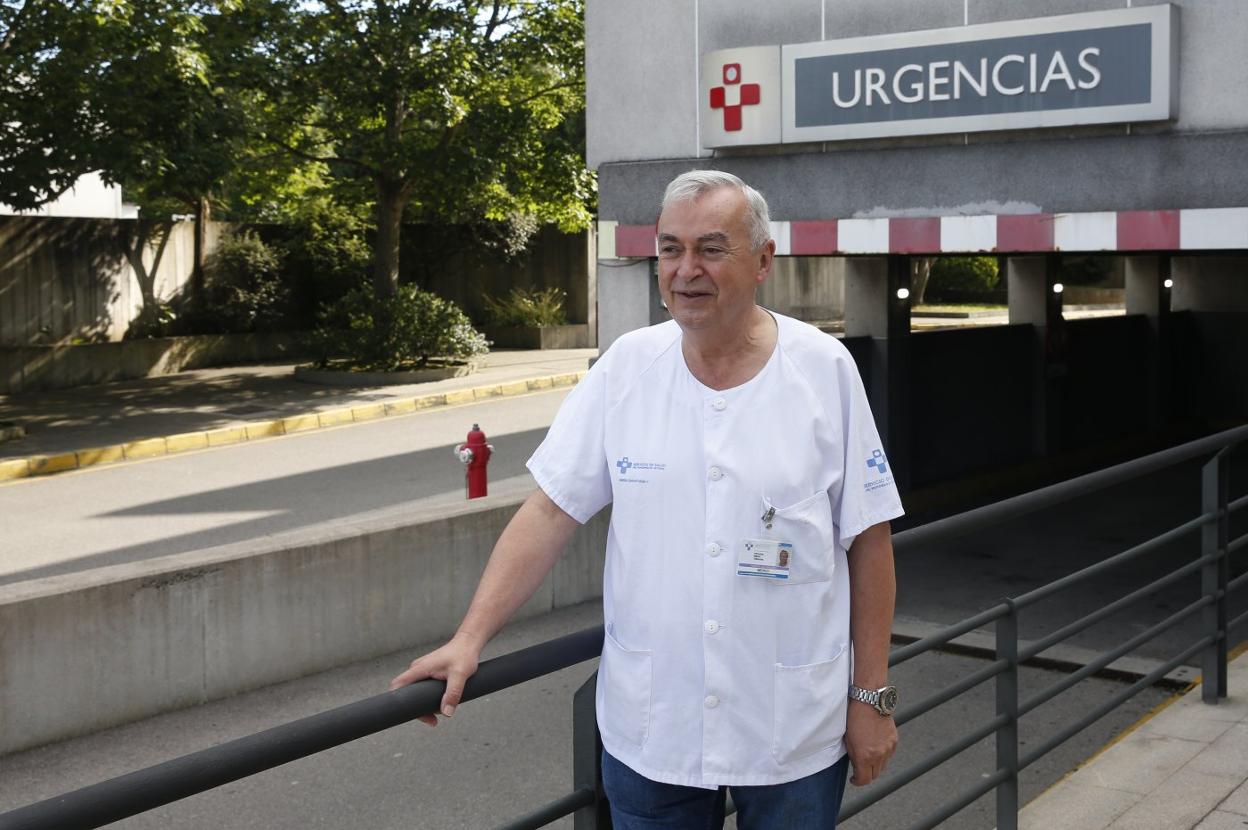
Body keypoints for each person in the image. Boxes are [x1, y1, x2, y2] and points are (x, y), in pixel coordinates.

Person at [391, 170, 904, 828]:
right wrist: (469, 638)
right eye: (670, 248)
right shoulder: (627, 368)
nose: (685, 270)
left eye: (711, 249)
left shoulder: (824, 369)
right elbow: (550, 510)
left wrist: (870, 697)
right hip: (653, 729)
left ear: (763, 262)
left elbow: (869, 539)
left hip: (795, 729)